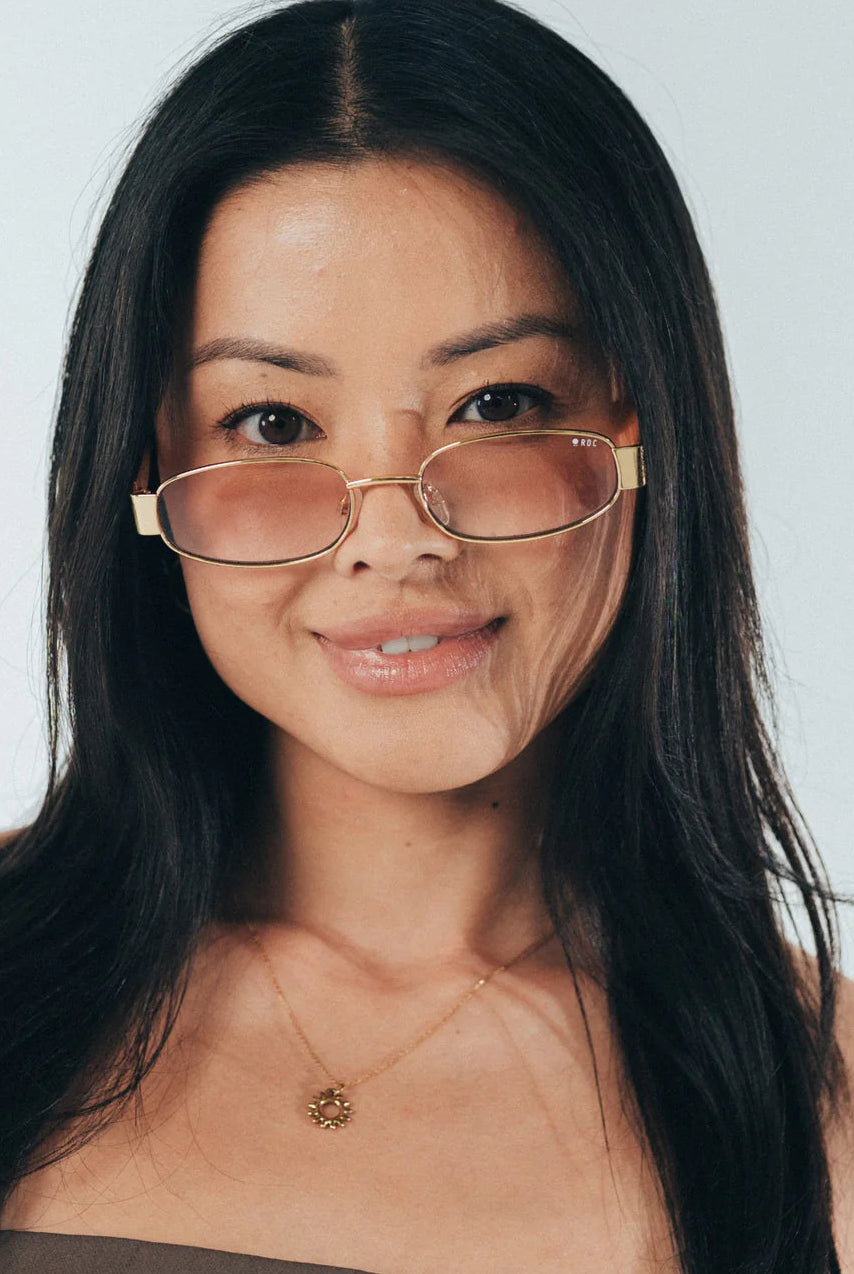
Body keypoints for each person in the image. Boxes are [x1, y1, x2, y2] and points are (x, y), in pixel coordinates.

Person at [0, 0, 851, 1270]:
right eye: (274, 423)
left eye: (495, 403)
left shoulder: (820, 1107)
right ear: (145, 470)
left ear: (638, 431)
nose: (394, 535)